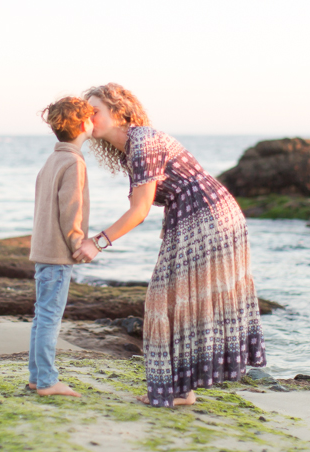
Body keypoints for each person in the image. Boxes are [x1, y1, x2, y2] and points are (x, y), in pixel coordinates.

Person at [73, 83, 266, 408]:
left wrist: (98, 243)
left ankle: (175, 390)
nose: (89, 118)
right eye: (86, 112)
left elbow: (139, 211)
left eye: (96, 111)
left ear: (119, 112)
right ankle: (181, 390)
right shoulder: (133, 146)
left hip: (206, 214)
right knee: (178, 301)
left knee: (165, 300)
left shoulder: (143, 142)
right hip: (197, 213)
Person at [27, 97, 94, 397]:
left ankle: (36, 376)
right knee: (50, 316)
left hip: (43, 251)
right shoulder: (74, 162)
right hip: (57, 253)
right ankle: (47, 381)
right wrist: (77, 242)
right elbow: (71, 208)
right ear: (83, 125)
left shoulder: (51, 160)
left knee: (42, 315)